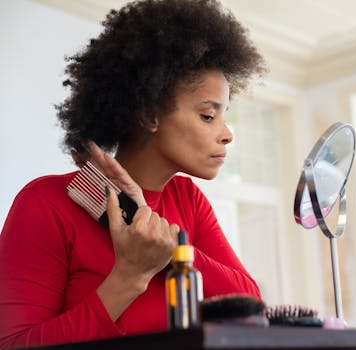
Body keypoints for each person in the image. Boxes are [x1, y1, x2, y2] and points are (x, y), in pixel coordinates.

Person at [0, 0, 266, 348]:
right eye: (207, 115)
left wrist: (171, 248)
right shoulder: (47, 204)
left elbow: (250, 304)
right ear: (149, 114)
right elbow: (13, 344)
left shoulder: (188, 201)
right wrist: (130, 275)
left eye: (224, 115)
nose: (227, 133)